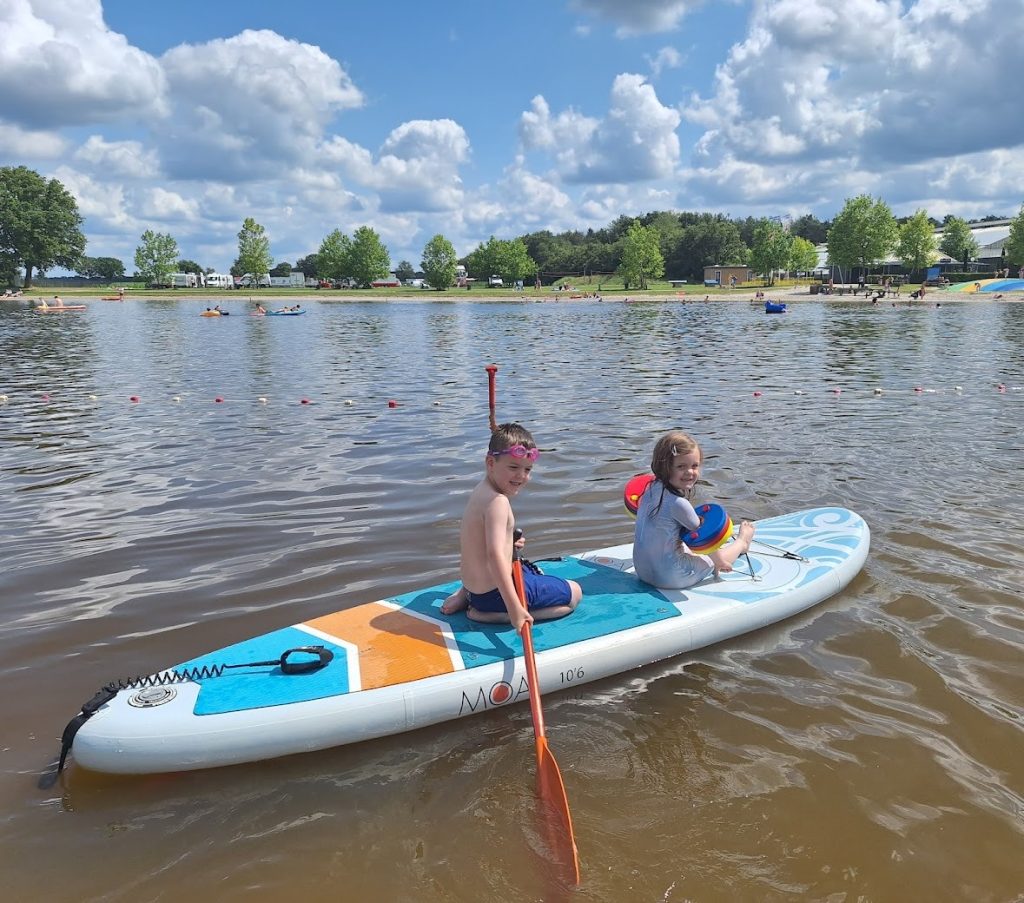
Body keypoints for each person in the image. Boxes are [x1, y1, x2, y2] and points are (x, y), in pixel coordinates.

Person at [440, 422, 582, 630]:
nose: (521, 476)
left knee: (537, 573)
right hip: (493, 597)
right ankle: (497, 615)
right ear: (490, 462)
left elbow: (476, 545)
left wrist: (510, 544)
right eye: (513, 467)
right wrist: (514, 608)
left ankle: (467, 597)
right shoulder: (498, 502)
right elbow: (495, 556)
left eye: (527, 469)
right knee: (574, 593)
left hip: (474, 591)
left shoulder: (481, 491)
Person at [632, 431, 755, 590]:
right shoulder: (678, 503)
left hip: (642, 571)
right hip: (672, 577)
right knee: (715, 558)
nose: (690, 472)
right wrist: (720, 562)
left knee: (679, 543)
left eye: (694, 466)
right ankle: (742, 543)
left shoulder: (648, 489)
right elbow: (706, 542)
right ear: (664, 467)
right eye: (681, 466)